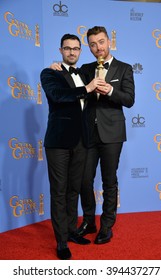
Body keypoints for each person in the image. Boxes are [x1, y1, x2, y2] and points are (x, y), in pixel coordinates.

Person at [50, 26, 135, 245]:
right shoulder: (85, 69)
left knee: (109, 181)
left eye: (101, 42)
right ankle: (89, 221)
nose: (98, 47)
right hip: (86, 134)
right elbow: (70, 80)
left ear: (109, 42)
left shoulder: (124, 68)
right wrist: (57, 68)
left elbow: (129, 99)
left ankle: (107, 226)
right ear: (88, 47)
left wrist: (111, 91)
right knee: (83, 180)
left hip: (112, 134)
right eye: (93, 44)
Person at [40, 33, 107, 259]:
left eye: (76, 49)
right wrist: (86, 89)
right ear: (60, 51)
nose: (71, 52)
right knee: (59, 191)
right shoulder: (50, 72)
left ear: (81, 51)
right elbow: (57, 95)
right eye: (67, 48)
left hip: (82, 142)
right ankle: (60, 242)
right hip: (58, 142)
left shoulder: (84, 73)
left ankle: (70, 231)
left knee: (73, 190)